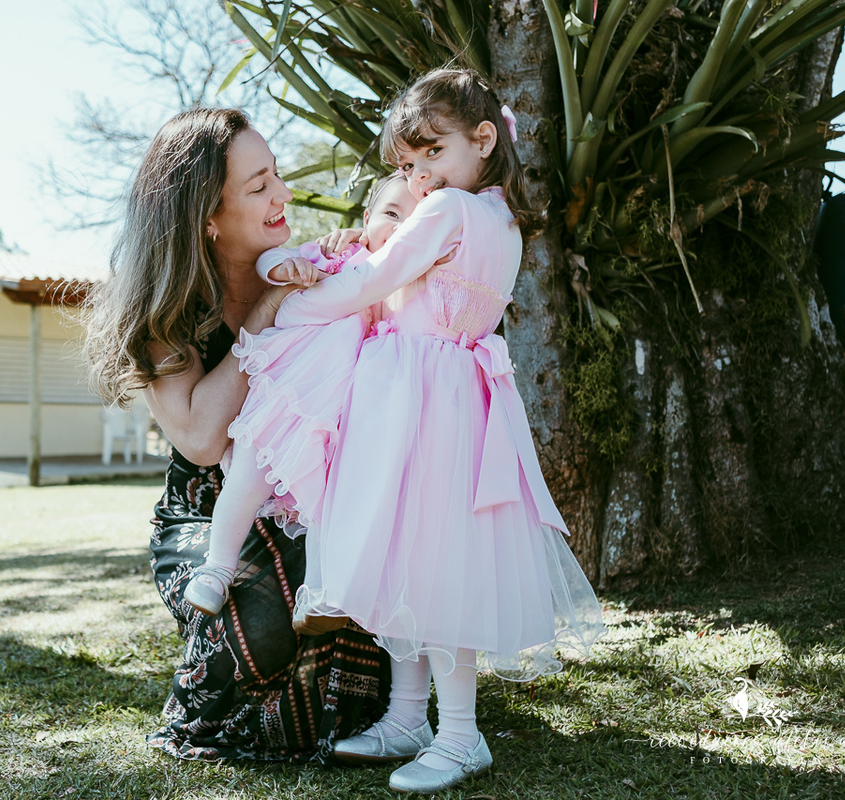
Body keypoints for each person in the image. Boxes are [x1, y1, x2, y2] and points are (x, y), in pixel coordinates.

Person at [200, 69, 608, 793]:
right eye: (410, 164)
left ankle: (459, 737)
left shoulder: (448, 209)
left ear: (484, 139)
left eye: (433, 155)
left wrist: (292, 311)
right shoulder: (502, 219)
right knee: (413, 560)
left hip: (417, 396)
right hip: (451, 393)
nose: (420, 177)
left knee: (433, 567)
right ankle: (408, 717)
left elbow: (372, 281)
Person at [83, 107, 388, 762]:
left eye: (276, 174)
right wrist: (268, 313)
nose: (284, 194)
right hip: (206, 516)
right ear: (208, 219)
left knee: (347, 595)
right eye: (259, 185)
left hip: (309, 502)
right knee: (261, 613)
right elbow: (199, 438)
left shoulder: (310, 269)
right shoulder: (165, 314)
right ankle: (224, 708)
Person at [181, 172, 419, 617]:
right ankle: (216, 569)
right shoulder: (339, 254)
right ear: (367, 218)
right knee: (248, 477)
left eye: (415, 223)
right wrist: (285, 268)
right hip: (287, 394)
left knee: (330, 503)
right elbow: (272, 259)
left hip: (341, 415)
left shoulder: (406, 289)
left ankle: (320, 592)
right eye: (391, 214)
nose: (399, 229)